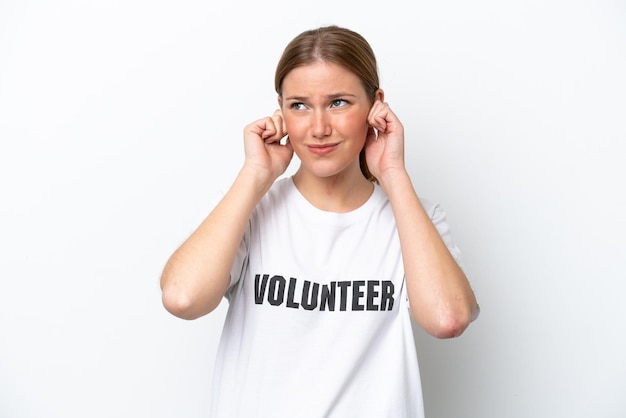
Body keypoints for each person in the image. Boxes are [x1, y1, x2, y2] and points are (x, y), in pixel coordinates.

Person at [160, 25, 479, 418]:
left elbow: (448, 319)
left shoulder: (415, 219)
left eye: (339, 102)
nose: (318, 127)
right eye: (299, 105)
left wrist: (393, 172)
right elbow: (181, 297)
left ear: (376, 105)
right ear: (280, 110)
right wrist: (255, 175)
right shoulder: (249, 210)